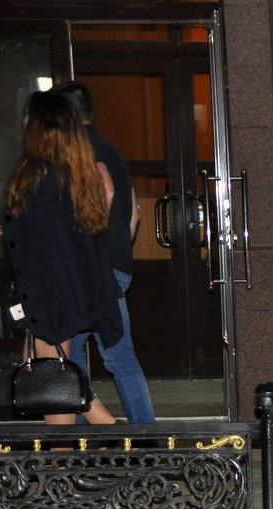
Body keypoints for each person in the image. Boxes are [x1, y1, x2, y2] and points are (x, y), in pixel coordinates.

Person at [1, 91, 124, 426]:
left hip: (51, 298)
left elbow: (46, 249)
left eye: (29, 117)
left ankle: (63, 470)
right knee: (54, 377)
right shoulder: (72, 175)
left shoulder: (41, 179)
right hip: (65, 295)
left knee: (54, 386)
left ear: (42, 127)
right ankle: (123, 443)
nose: (24, 122)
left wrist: (37, 310)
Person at [53, 80, 155, 424]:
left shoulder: (75, 155)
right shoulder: (111, 150)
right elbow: (134, 214)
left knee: (95, 358)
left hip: (91, 271)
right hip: (115, 266)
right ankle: (142, 443)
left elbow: (87, 211)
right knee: (105, 357)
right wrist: (117, 256)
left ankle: (124, 443)